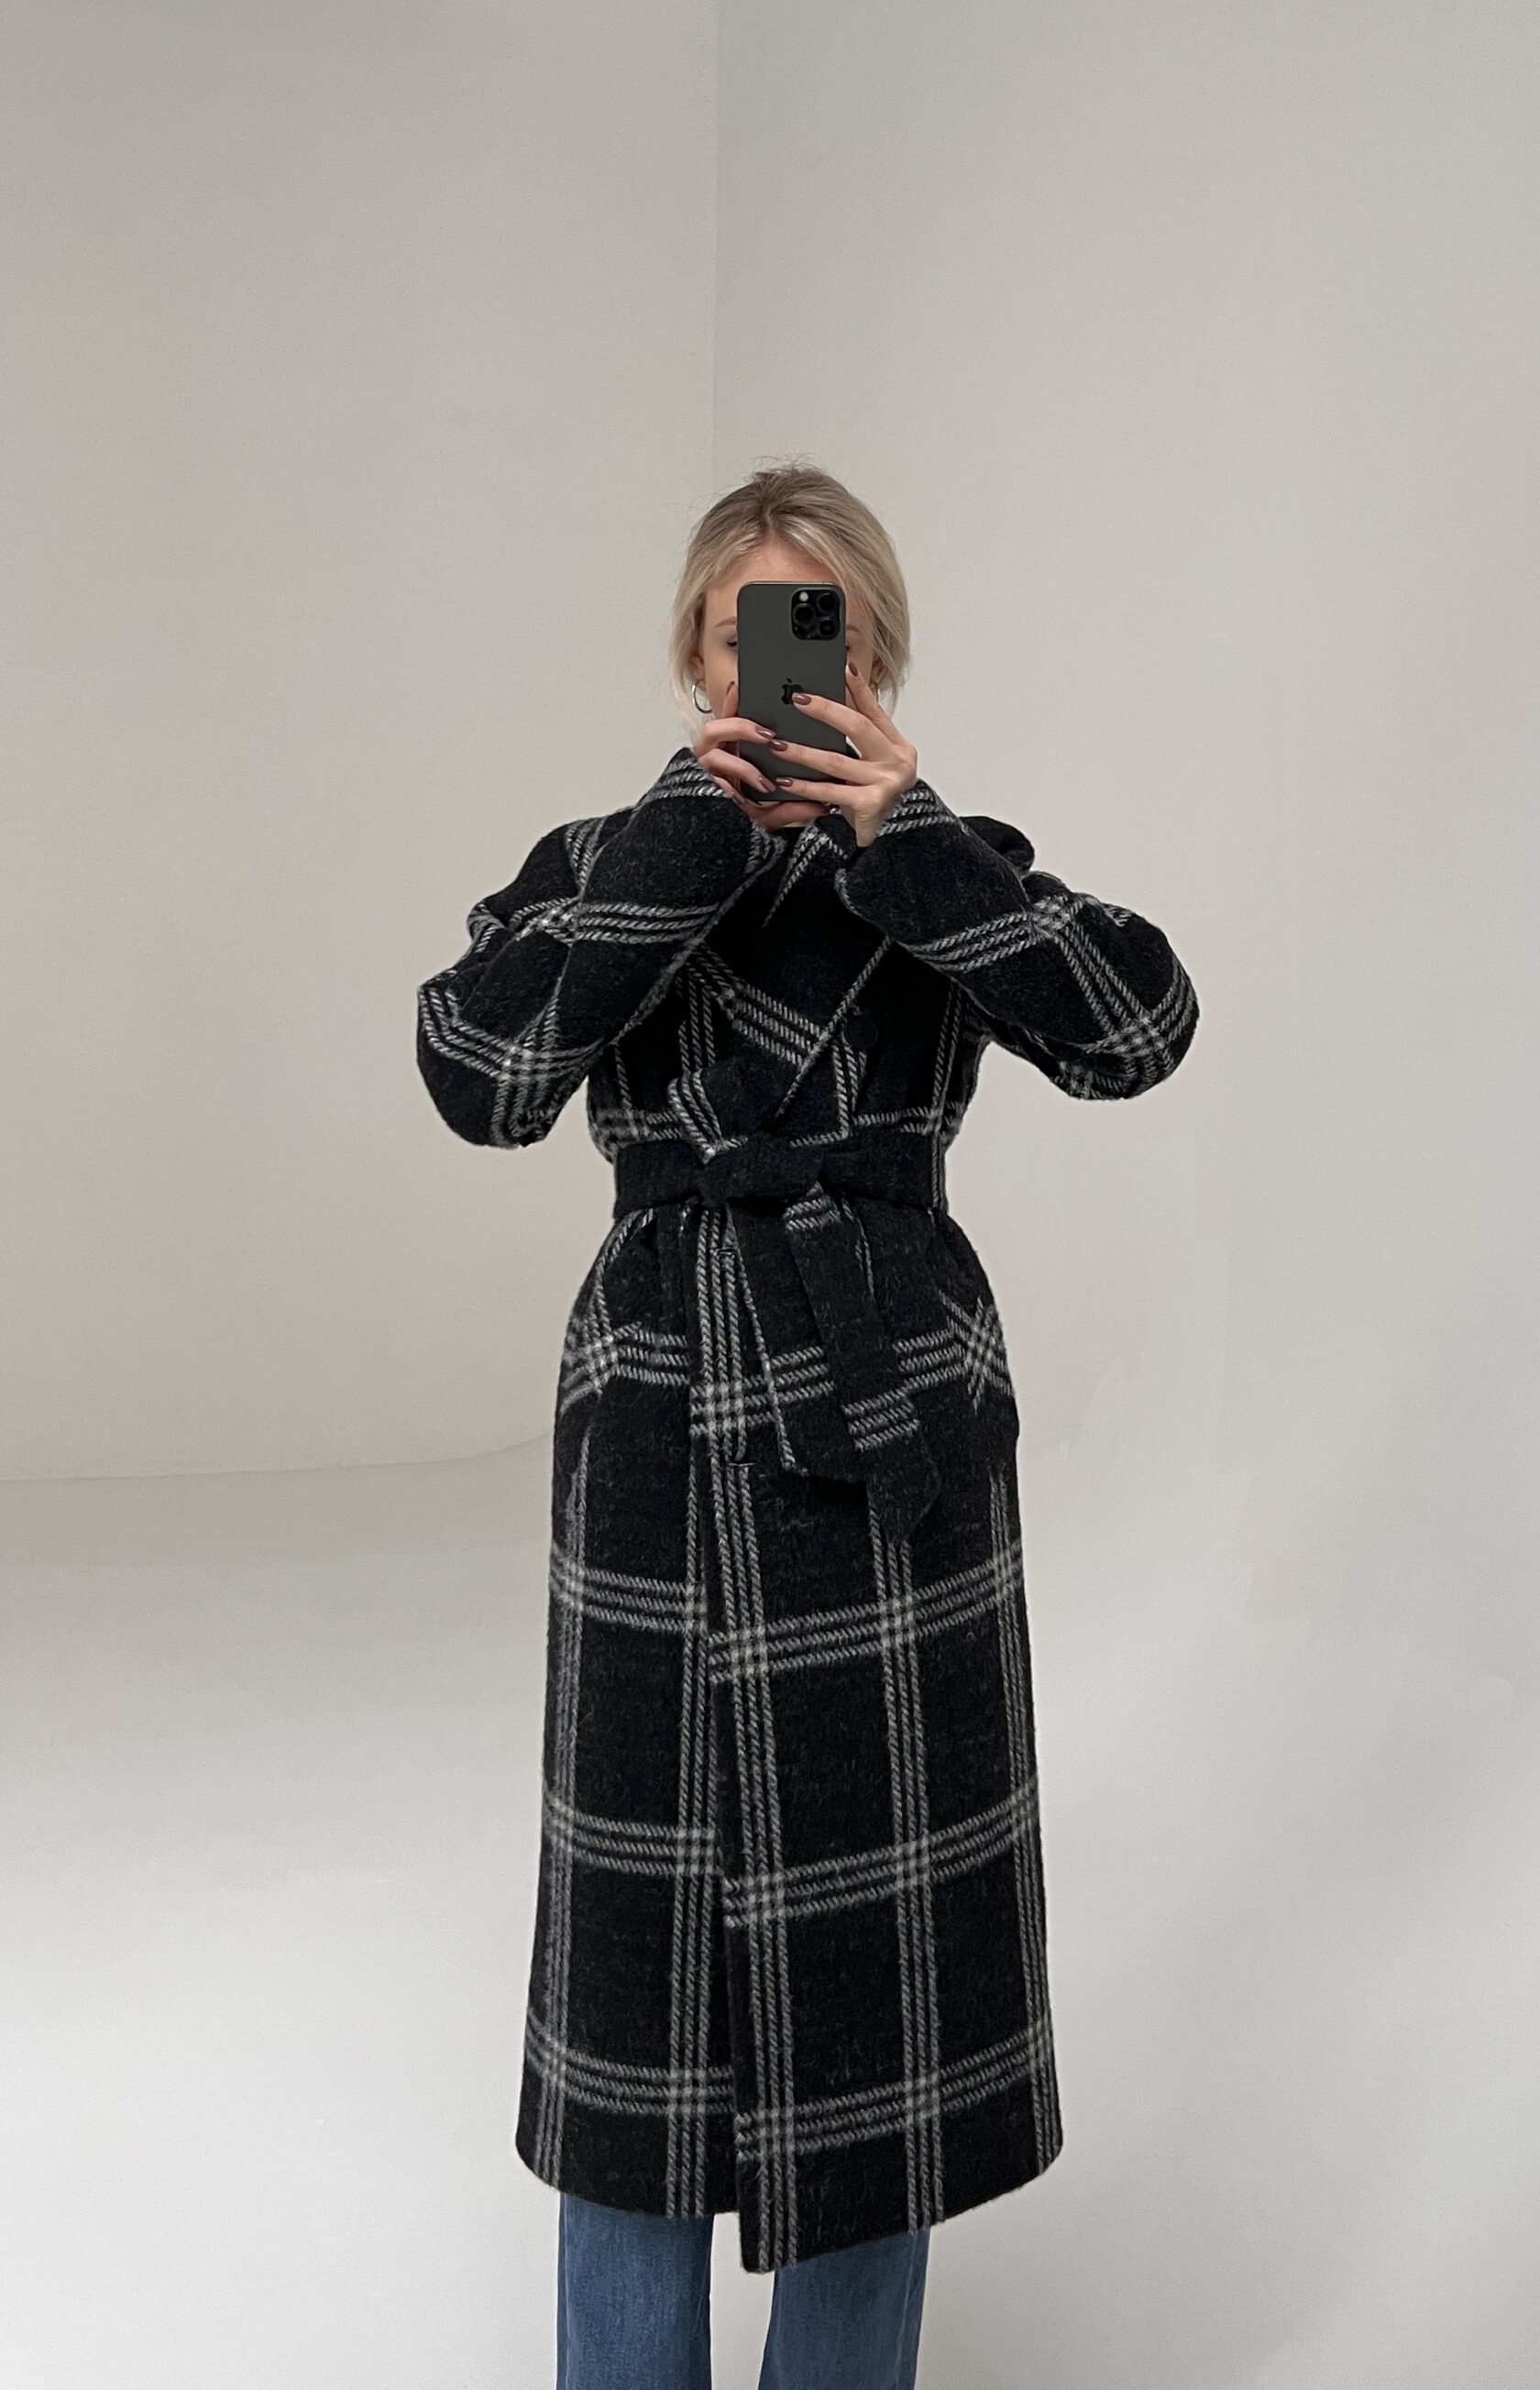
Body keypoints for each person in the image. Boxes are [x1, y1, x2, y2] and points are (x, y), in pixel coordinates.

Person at [415, 462, 1200, 2386]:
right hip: (663, 1425)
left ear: (874, 654)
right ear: (696, 656)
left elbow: (1139, 1027)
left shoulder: (949, 861)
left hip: (890, 1428)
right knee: (638, 2013)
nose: (776, 666)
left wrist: (908, 841)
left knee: (880, 2015)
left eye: (815, 627)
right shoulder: (601, 858)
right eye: (742, 628)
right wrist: (683, 843)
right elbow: (480, 1073)